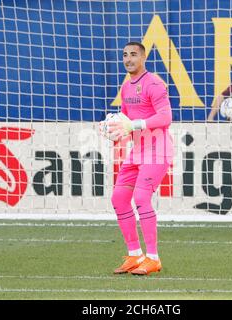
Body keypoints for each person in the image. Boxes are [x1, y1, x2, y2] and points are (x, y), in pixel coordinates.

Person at [99, 41, 173, 275]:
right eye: (124, 55)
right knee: (119, 198)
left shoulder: (154, 84)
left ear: (143, 58)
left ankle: (153, 258)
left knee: (141, 198)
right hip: (137, 151)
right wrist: (116, 131)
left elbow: (166, 117)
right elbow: (127, 121)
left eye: (133, 55)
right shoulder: (126, 88)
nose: (128, 59)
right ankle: (134, 255)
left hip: (158, 149)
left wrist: (134, 124)